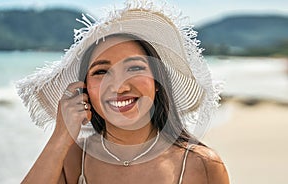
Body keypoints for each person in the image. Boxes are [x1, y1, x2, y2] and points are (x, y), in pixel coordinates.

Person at [16, 0, 229, 183]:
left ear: (157, 81)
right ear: (85, 89)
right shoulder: (73, 159)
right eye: (101, 71)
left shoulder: (200, 165)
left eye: (134, 68)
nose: (120, 86)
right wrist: (61, 136)